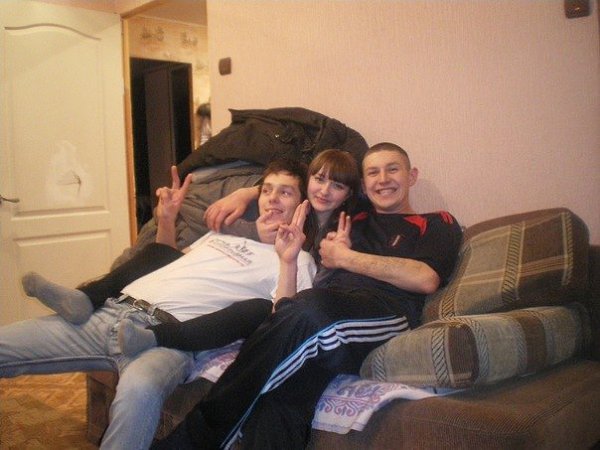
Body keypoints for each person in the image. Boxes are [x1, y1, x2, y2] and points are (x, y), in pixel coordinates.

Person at [153, 142, 464, 450]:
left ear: (412, 176)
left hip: (383, 312)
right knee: (283, 395)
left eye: (392, 169)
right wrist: (248, 193)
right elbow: (309, 179)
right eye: (373, 172)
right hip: (322, 313)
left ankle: (192, 438)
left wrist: (346, 258)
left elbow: (425, 279)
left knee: (307, 310)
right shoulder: (350, 216)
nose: (383, 179)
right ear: (363, 184)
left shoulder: (438, 222)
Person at [0, 158, 316, 450]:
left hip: (167, 340)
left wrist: (287, 259)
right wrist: (167, 220)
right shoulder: (223, 235)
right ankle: (85, 298)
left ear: (302, 205)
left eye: (285, 192)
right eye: (267, 190)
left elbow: (281, 320)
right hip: (111, 312)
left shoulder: (297, 260)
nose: (272, 199)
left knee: (139, 391)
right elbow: (166, 259)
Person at [118, 148, 361, 356]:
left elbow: (288, 315)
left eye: (337, 185)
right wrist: (248, 194)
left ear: (348, 194)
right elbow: (169, 258)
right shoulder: (246, 225)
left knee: (257, 309)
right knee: (153, 254)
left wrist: (339, 258)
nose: (324, 191)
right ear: (309, 181)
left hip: (246, 311)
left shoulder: (335, 236)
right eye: (319, 179)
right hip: (143, 302)